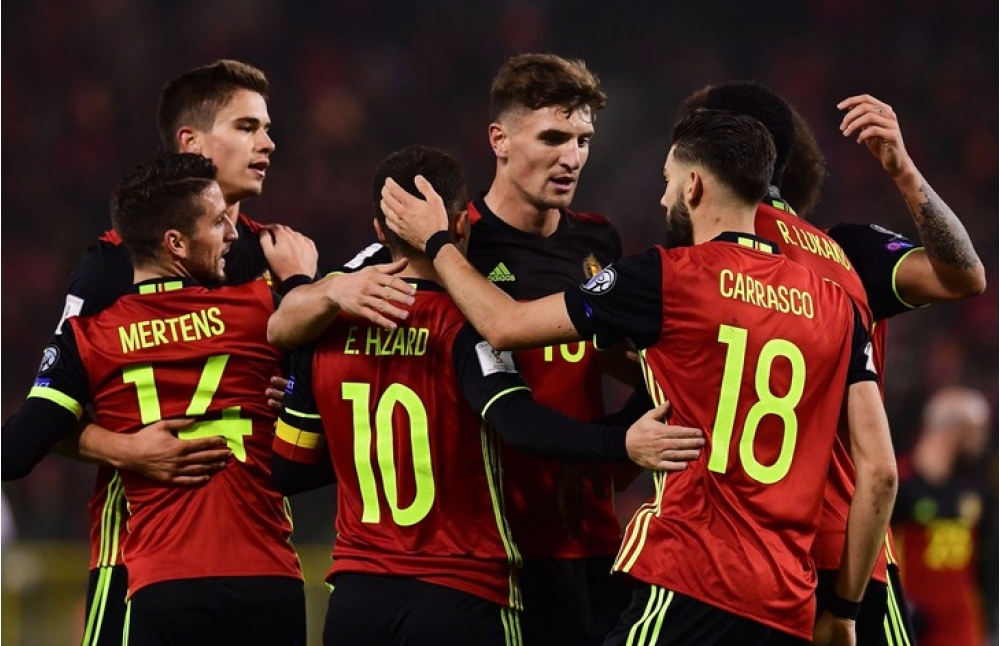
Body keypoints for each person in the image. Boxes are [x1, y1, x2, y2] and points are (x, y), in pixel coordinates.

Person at [380, 109, 899, 645]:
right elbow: (880, 471)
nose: (662, 197)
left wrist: (437, 242)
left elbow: (504, 325)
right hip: (788, 603)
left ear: (693, 185)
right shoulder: (837, 306)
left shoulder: (668, 278)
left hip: (692, 578)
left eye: (668, 180)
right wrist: (844, 610)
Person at [19, 58, 413, 646]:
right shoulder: (113, 262)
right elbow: (45, 416)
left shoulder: (276, 255)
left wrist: (294, 392)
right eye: (247, 127)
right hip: (137, 551)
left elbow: (319, 397)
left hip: (255, 546)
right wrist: (129, 449)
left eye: (268, 128)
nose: (268, 143)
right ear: (192, 143)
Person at [269, 53, 640, 645]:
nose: (571, 157)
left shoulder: (597, 240)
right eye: (552, 137)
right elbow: (289, 320)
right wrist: (327, 296)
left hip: (584, 541)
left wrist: (609, 451)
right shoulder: (443, 234)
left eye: (583, 140)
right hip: (486, 556)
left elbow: (630, 361)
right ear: (499, 139)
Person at [680, 79, 986, 645]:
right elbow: (966, 276)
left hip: (744, 560)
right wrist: (903, 171)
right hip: (850, 555)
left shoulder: (701, 259)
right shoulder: (847, 256)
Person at [2, 153, 308, 644]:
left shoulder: (91, 339)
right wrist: (299, 285)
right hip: (267, 579)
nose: (233, 234)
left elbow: (15, 451)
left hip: (164, 585)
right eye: (218, 222)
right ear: (175, 243)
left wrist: (125, 448)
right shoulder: (260, 310)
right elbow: (325, 389)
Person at [892, 386, 991, 646]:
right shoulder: (899, 484)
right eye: (975, 430)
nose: (982, 440)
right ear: (952, 430)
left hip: (962, 627)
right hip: (913, 623)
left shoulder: (974, 489)